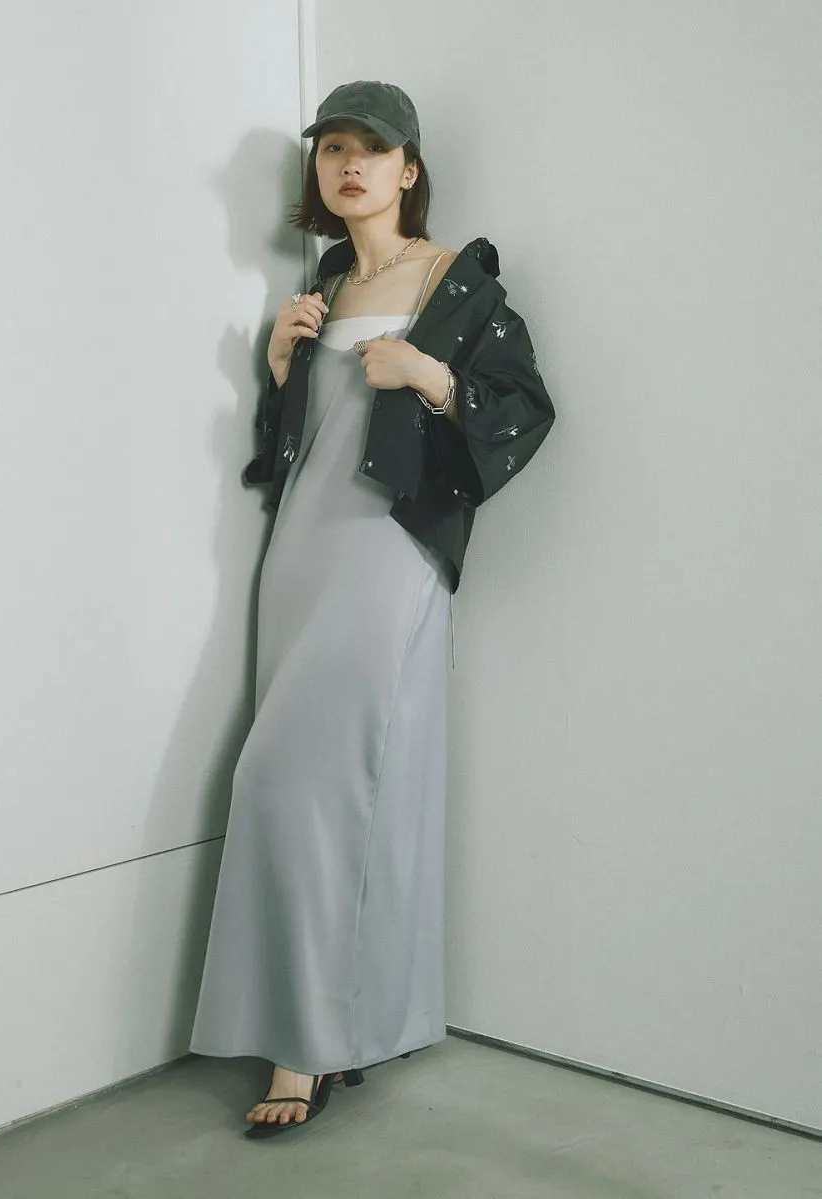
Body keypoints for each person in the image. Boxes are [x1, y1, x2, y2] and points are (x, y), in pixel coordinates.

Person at [189, 81, 556, 1139]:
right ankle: (339, 1023)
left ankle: (303, 1046)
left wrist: (431, 375)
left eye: (373, 149)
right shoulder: (322, 285)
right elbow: (290, 451)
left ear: (409, 168)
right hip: (300, 554)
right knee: (332, 787)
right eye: (333, 148)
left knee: (298, 775)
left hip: (388, 550)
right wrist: (279, 370)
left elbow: (526, 411)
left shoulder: (457, 282)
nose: (350, 165)